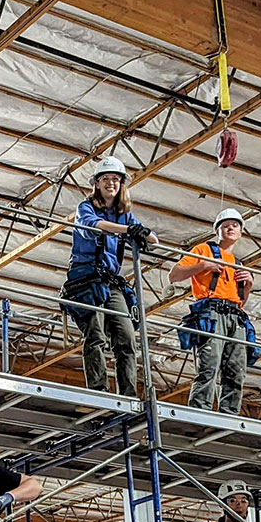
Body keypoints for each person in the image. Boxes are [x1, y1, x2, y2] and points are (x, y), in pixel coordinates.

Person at [61, 156, 157, 397]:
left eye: (115, 179)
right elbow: (95, 224)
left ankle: (128, 393)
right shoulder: (86, 207)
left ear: (121, 183)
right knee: (95, 334)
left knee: (126, 337)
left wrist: (140, 232)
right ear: (97, 183)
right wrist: (130, 231)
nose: (111, 183)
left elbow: (153, 240)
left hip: (111, 282)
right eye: (106, 179)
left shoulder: (124, 214)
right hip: (87, 279)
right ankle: (99, 390)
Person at [169, 208, 256, 414]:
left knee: (236, 369)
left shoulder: (238, 263)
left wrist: (249, 284)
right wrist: (202, 266)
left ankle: (230, 414)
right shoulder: (203, 250)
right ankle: (201, 411)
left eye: (235, 225)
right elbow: (174, 275)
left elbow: (240, 300)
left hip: (235, 316)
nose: (230, 228)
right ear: (217, 231)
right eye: (225, 226)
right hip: (212, 312)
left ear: (241, 231)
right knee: (209, 364)